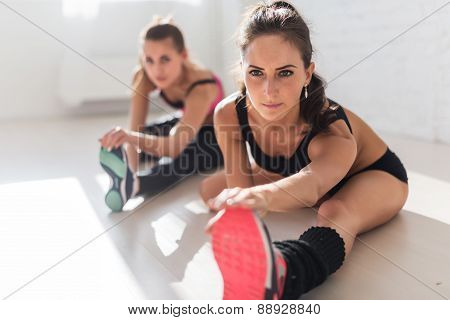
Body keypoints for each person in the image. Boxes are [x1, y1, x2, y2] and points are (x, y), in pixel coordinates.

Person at [201, 1, 409, 299]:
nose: (268, 91)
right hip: (298, 176)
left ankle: (282, 271)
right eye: (256, 73)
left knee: (335, 210)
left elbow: (311, 185)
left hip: (372, 175)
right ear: (242, 70)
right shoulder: (229, 113)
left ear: (307, 73)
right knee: (210, 190)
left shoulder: (330, 129)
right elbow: (241, 189)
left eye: (284, 73)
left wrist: (260, 196)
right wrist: (239, 205)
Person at [99, 17, 224, 211]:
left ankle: (137, 185)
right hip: (186, 121)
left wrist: (131, 138)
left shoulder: (202, 87)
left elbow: (174, 147)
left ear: (183, 55)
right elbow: (136, 127)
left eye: (165, 59)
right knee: (142, 134)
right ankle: (127, 178)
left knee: (182, 157)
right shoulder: (143, 76)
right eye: (149, 60)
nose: (156, 69)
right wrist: (130, 164)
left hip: (218, 135)